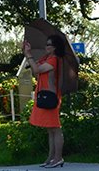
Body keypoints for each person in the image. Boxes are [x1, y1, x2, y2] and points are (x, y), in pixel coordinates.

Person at [24, 33, 68, 168]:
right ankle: (51, 157)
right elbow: (34, 70)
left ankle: (58, 158)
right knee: (50, 129)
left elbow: (37, 69)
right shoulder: (46, 58)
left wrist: (29, 54)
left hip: (51, 96)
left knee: (55, 128)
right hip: (44, 94)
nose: (46, 47)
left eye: (49, 45)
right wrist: (28, 55)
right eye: (46, 44)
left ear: (55, 47)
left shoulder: (54, 60)